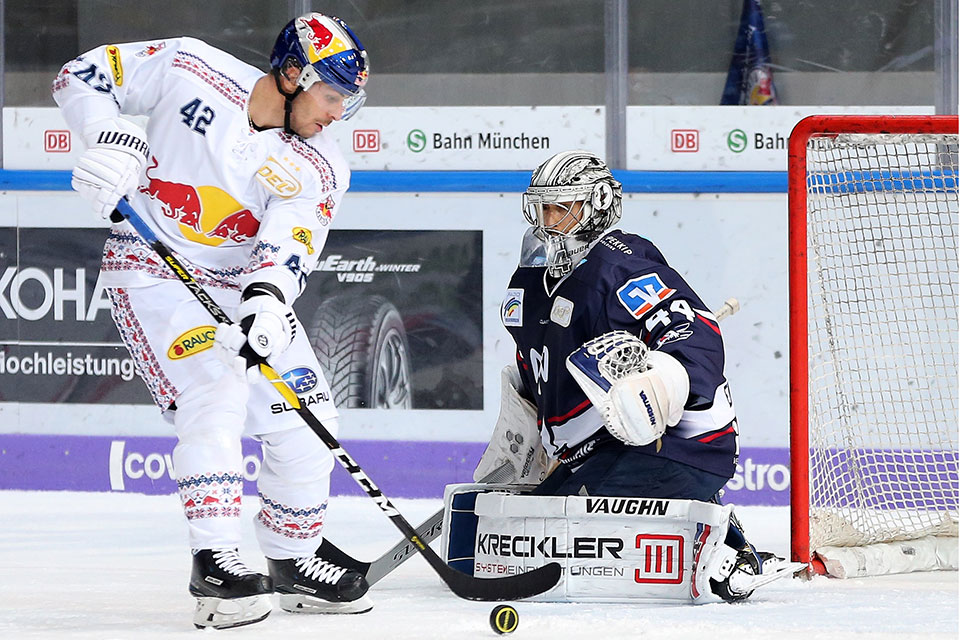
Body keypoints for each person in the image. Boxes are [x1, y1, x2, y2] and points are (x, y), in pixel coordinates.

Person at [53, 12, 372, 629]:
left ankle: (295, 558)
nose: (337, 114)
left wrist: (267, 303)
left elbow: (292, 241)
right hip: (150, 267)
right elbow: (81, 74)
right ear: (292, 73)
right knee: (215, 392)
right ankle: (216, 564)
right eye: (331, 96)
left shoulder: (322, 162)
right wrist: (102, 137)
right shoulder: (189, 66)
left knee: (309, 422)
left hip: (239, 287)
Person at [472, 150, 797, 602]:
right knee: (528, 524)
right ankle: (705, 520)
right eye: (543, 208)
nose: (549, 221)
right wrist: (526, 434)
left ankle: (726, 554)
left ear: (598, 205)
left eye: (562, 208)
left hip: (678, 445)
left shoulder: (622, 268)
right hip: (598, 450)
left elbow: (696, 337)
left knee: (563, 538)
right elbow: (535, 367)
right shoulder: (530, 280)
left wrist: (661, 380)